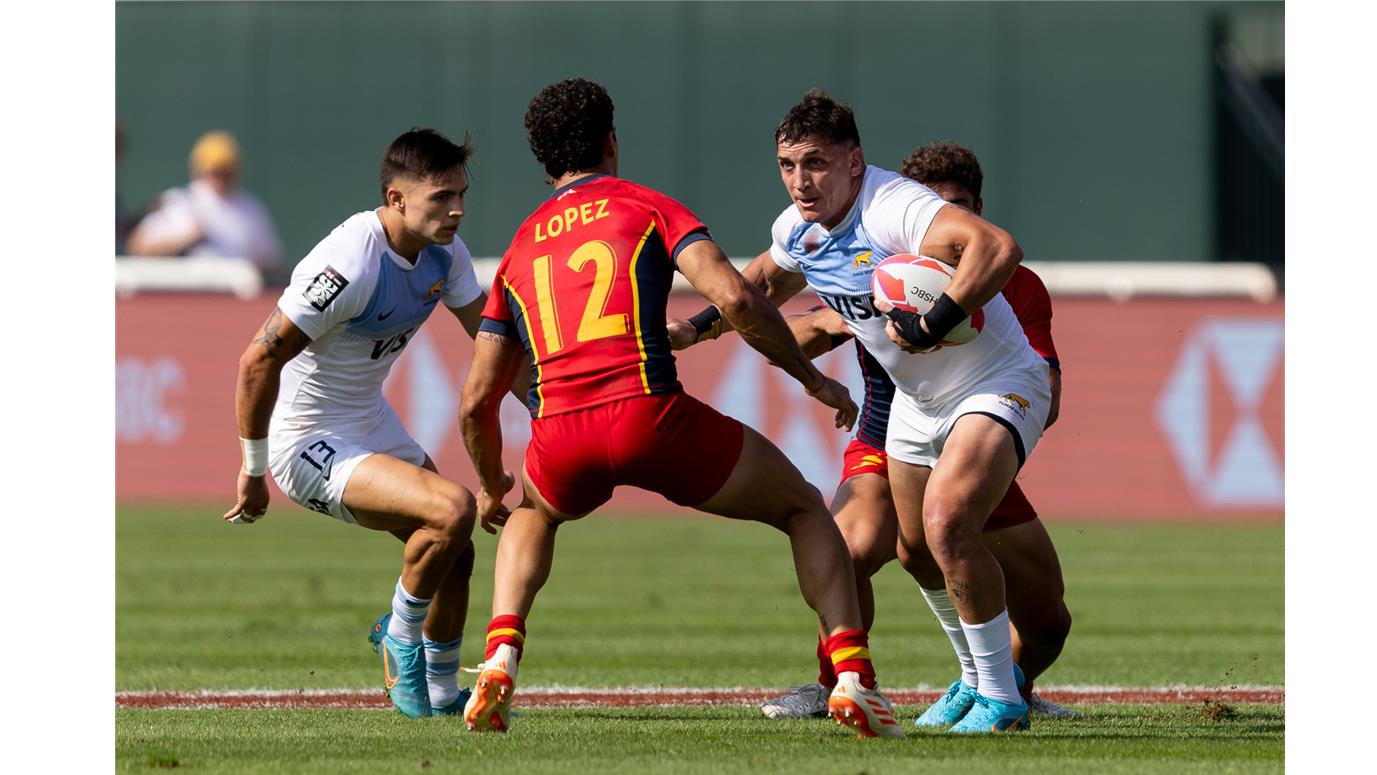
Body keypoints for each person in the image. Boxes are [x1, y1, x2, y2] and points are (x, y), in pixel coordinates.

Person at [458, 79, 904, 739]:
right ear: (611, 141)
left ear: (544, 159)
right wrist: (814, 381)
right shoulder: (647, 206)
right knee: (804, 508)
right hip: (651, 417)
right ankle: (852, 675)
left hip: (561, 434)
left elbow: (476, 400)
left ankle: (500, 655)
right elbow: (739, 299)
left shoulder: (519, 248)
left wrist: (491, 481)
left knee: (534, 512)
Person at [673, 91, 1050, 733]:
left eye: (816, 163)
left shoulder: (893, 207)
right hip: (916, 402)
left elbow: (997, 247)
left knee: (948, 522)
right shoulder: (798, 229)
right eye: (788, 165)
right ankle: (974, 680)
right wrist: (694, 328)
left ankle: (1002, 698)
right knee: (916, 552)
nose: (800, 180)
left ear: (854, 162)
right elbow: (759, 286)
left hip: (996, 382)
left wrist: (933, 321)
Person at [746, 141, 1076, 722]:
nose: (945, 234)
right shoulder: (877, 266)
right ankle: (841, 681)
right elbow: (786, 322)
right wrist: (830, 325)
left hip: (978, 432)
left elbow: (1044, 393)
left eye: (959, 210)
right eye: (935, 211)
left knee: (1048, 622)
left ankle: (1001, 684)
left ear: (976, 212)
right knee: (850, 550)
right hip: (890, 428)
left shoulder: (1014, 284)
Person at [225, 128, 501, 721]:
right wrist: (253, 468)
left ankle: (443, 693)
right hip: (307, 441)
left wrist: (544, 402)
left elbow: (491, 343)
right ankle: (400, 636)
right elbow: (257, 360)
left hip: (369, 422)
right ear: (396, 199)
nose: (457, 209)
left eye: (461, 194)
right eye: (441, 197)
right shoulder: (349, 261)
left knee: (457, 552)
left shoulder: (446, 252)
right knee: (452, 509)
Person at [126, 129, 283, 281]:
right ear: (199, 170)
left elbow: (270, 263)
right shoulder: (180, 201)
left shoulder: (251, 208)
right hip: (184, 293)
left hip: (235, 294)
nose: (222, 179)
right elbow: (138, 246)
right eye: (216, 172)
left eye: (227, 172)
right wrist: (185, 238)